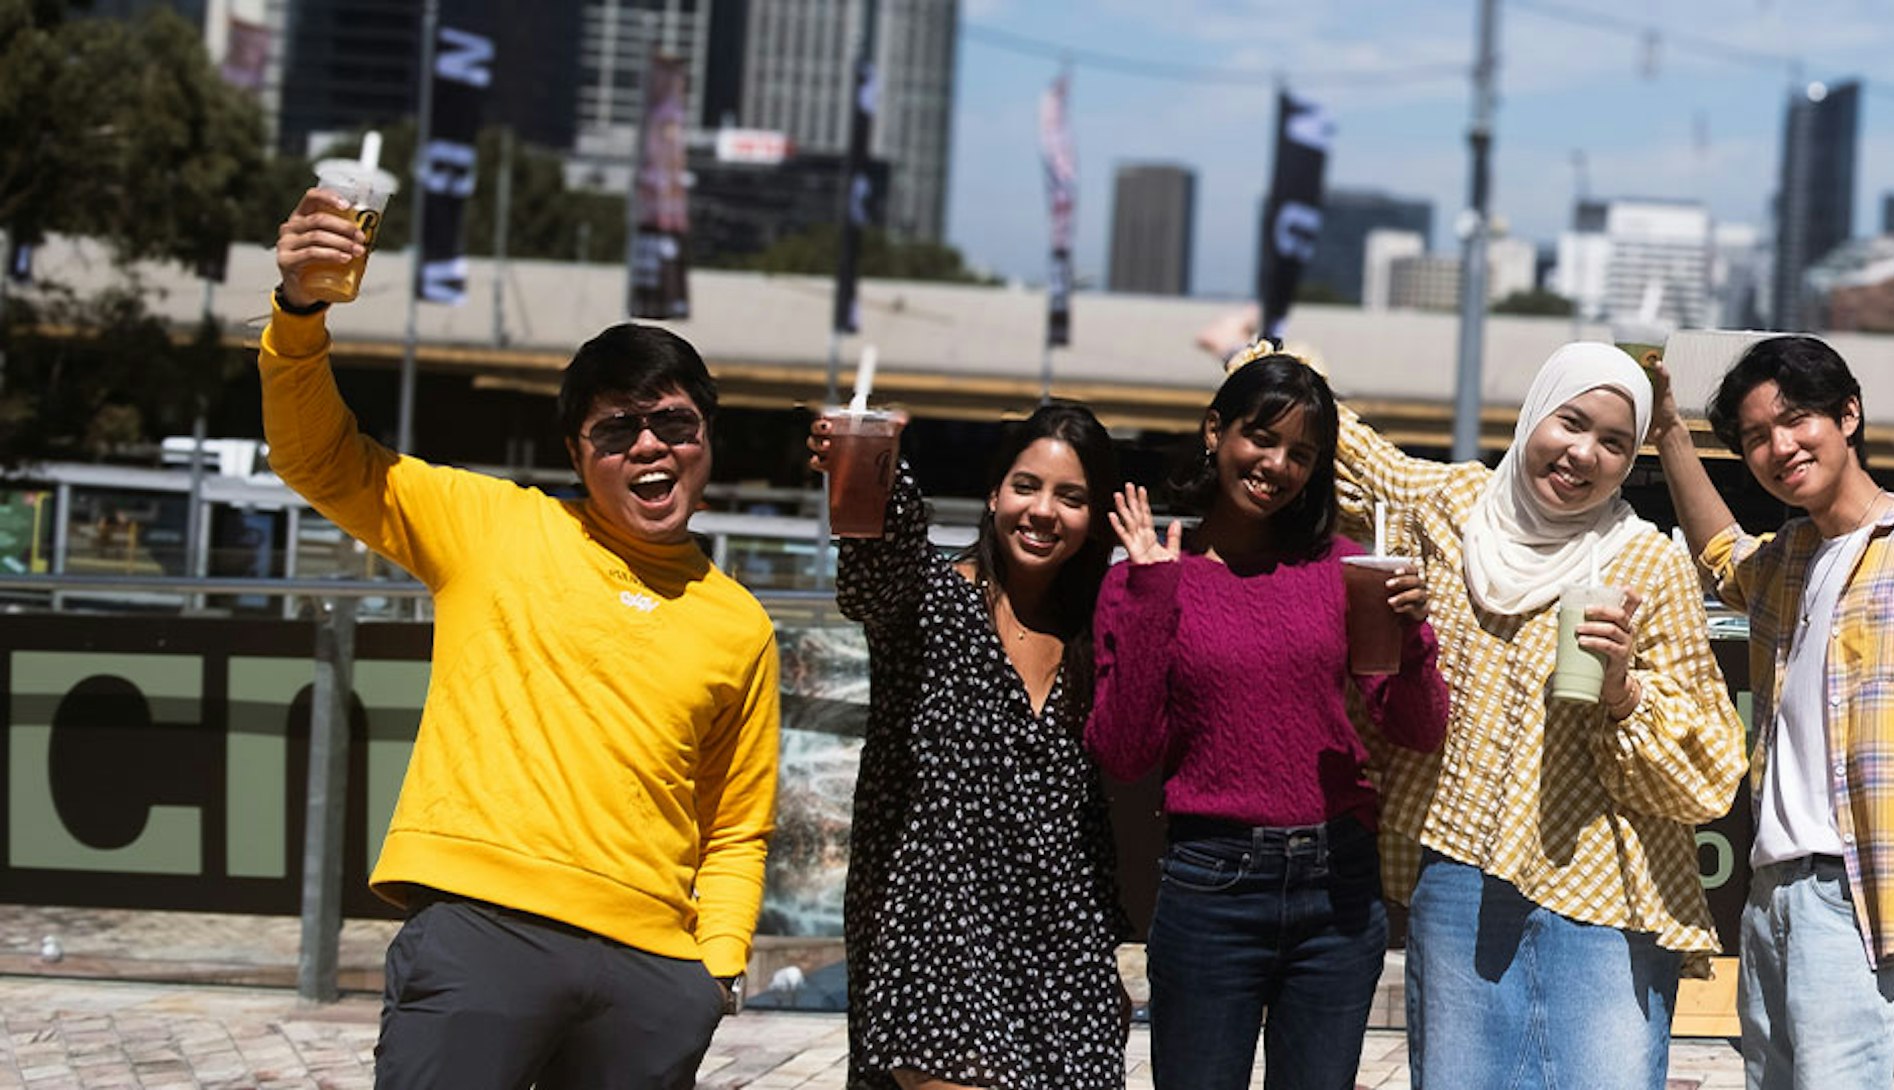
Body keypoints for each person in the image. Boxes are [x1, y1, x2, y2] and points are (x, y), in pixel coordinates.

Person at [266, 189, 778, 1088]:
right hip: (483, 930)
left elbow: (736, 826)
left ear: (708, 439)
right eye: (617, 428)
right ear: (578, 454)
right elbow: (321, 459)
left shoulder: (740, 620)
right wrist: (301, 312)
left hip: (654, 976)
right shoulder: (492, 524)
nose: (649, 446)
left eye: (674, 423)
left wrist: (716, 970)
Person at [1321, 341, 1747, 1090]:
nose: (1584, 454)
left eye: (1614, 442)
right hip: (1460, 871)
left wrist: (1623, 691)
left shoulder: (1644, 561)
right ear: (1533, 415)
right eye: (1571, 422)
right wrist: (1250, 354)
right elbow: (1337, 445)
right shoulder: (1449, 506)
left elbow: (1711, 763)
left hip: (1605, 892)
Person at [1638, 335, 1894, 1089]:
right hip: (1771, 895)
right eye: (1757, 436)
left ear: (1848, 414)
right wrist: (1668, 431)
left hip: (1861, 890)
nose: (1780, 447)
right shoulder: (1787, 559)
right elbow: (1719, 554)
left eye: (1797, 420)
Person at [1085, 348, 1447, 1090]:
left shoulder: (1346, 567)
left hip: (1338, 887)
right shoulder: (1146, 574)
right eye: (1262, 437)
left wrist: (1411, 641)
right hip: (1210, 886)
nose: (1277, 465)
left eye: (1302, 454)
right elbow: (1123, 753)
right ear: (1215, 431)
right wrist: (1151, 595)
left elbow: (1417, 728)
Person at [823, 403, 1133, 1090]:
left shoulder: (1096, 633)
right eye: (1026, 485)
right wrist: (874, 470)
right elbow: (872, 578)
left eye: (1071, 496)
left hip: (1060, 945)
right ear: (993, 493)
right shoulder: (930, 599)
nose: (1043, 510)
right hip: (936, 926)